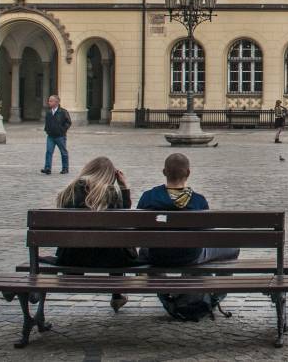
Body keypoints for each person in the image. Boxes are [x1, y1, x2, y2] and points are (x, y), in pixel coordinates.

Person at [55, 156, 136, 310]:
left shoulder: (68, 191)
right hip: (110, 258)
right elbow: (124, 221)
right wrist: (124, 188)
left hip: (74, 257)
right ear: (110, 176)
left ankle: (71, 277)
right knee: (116, 241)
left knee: (88, 241)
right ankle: (116, 295)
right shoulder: (111, 193)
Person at [136, 153, 239, 265]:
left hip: (157, 256)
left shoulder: (149, 197)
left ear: (164, 172)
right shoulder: (198, 201)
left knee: (144, 250)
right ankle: (207, 279)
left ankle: (155, 279)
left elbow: (138, 229)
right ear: (188, 173)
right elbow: (208, 235)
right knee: (232, 249)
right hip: (191, 257)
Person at [41, 94, 71, 175]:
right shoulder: (49, 112)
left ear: (56, 102)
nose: (49, 102)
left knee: (63, 152)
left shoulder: (63, 112)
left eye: (51, 101)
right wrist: (47, 130)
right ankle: (47, 168)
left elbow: (68, 122)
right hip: (50, 136)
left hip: (60, 136)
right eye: (49, 101)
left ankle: (65, 168)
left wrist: (62, 130)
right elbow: (47, 123)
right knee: (49, 151)